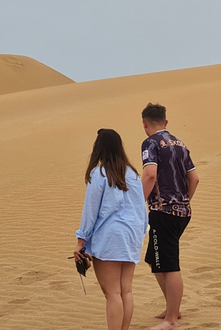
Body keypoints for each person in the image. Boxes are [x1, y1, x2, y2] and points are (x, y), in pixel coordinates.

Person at [74, 129, 149, 330]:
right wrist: (139, 234)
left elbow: (90, 211)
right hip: (131, 236)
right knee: (126, 291)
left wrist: (81, 240)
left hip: (109, 238)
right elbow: (141, 209)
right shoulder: (132, 174)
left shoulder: (98, 174)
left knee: (113, 293)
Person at [140, 103, 199, 330]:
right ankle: (172, 308)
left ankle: (171, 319)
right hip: (182, 212)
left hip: (162, 211)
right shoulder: (180, 144)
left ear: (144, 123)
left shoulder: (151, 143)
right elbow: (194, 179)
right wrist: (184, 202)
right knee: (155, 260)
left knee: (169, 263)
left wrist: (138, 204)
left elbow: (150, 174)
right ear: (166, 122)